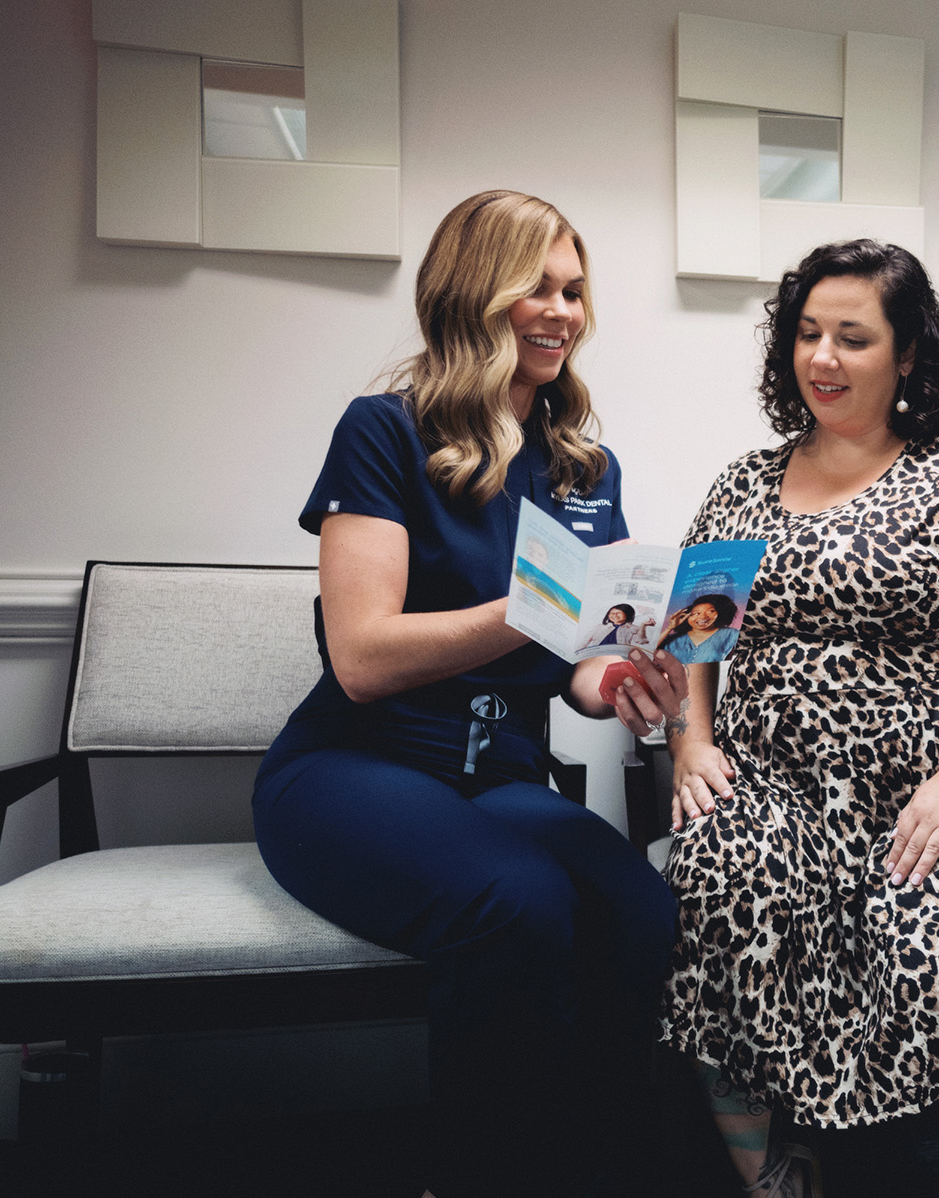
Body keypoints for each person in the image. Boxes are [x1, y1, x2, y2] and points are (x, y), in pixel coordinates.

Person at [251, 190, 687, 1198]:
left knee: (643, 913)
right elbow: (362, 656)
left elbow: (575, 661)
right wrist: (543, 605)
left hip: (499, 771)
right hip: (353, 766)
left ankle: (604, 1169)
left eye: (575, 290)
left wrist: (619, 676)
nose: (562, 310)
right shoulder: (383, 432)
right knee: (519, 901)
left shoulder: (585, 463)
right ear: (471, 292)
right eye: (536, 285)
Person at [660, 240, 939, 1198]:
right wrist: (690, 738)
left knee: (937, 939)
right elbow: (695, 635)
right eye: (807, 334)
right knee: (725, 886)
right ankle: (772, 1172)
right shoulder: (742, 485)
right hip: (783, 791)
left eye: (853, 338)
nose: (822, 358)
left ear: (907, 356)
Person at [655, 592, 740, 663]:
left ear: (719, 613)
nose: (703, 617)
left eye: (711, 611)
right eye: (696, 613)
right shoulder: (672, 638)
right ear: (687, 616)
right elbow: (649, 652)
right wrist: (670, 628)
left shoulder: (732, 634)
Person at [578, 602, 657, 650]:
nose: (614, 615)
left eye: (618, 613)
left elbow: (641, 641)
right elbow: (585, 641)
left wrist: (643, 625)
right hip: (597, 654)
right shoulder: (599, 627)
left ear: (627, 615)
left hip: (617, 655)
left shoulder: (632, 628)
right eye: (612, 613)